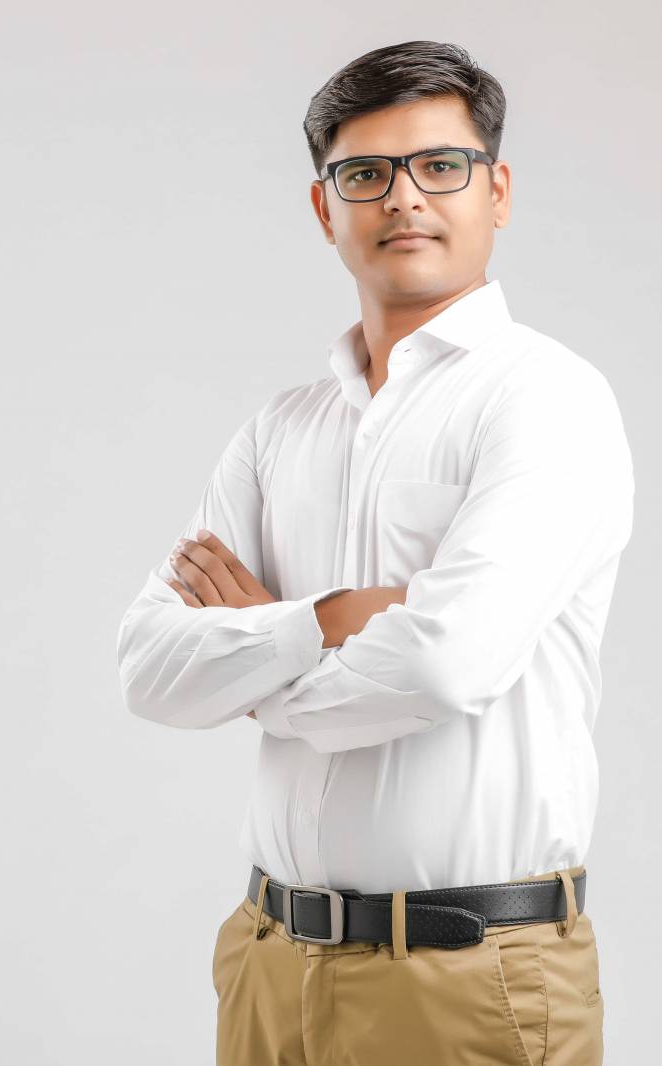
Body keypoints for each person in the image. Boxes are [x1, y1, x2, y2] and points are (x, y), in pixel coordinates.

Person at [115, 39, 632, 1065]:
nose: (404, 198)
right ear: (325, 208)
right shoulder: (281, 429)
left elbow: (445, 664)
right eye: (366, 174)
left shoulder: (545, 399)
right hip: (269, 961)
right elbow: (147, 668)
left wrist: (259, 675)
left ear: (497, 191)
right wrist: (329, 617)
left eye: (440, 165)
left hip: (465, 974)